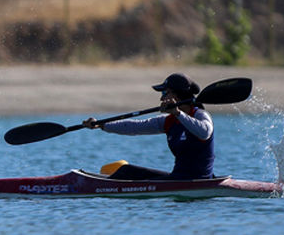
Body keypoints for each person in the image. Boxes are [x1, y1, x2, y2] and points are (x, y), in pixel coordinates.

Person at [82, 72, 215, 180]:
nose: (161, 99)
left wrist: (178, 113)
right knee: (126, 170)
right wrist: (102, 125)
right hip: (178, 178)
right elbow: (135, 127)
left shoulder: (200, 115)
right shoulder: (168, 121)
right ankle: (103, 183)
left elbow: (204, 132)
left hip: (196, 179)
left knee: (126, 171)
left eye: (164, 93)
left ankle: (98, 187)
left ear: (177, 96)